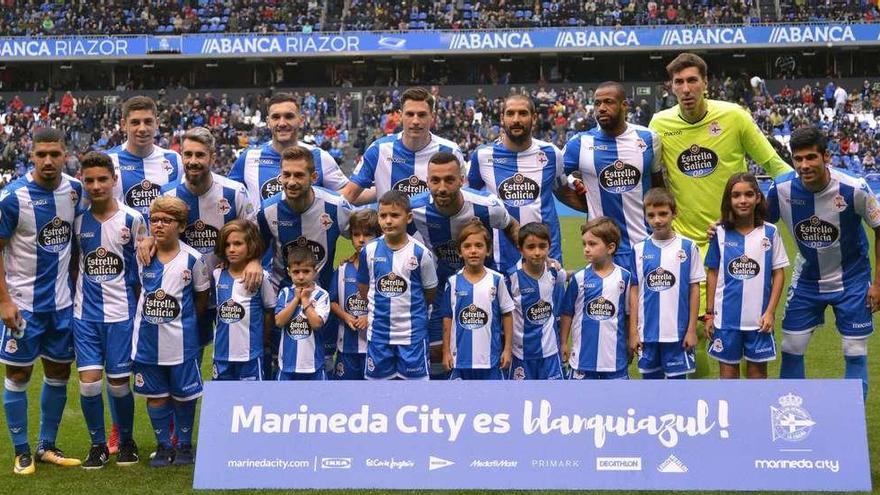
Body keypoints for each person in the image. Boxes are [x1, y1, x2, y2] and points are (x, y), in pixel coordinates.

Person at [648, 53, 791, 376]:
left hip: (734, 242)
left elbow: (775, 166)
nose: (686, 88)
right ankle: (702, 409)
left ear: (705, 83)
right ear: (671, 87)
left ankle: (743, 411)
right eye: (679, 82)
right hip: (686, 244)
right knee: (692, 332)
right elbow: (654, 178)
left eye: (692, 80)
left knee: (747, 327)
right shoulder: (660, 124)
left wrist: (759, 221)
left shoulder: (734, 116)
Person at [766, 127, 880, 398]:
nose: (804, 165)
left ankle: (852, 425)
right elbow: (757, 227)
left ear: (826, 156)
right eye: (798, 159)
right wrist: (722, 227)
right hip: (807, 279)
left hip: (852, 279)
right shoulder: (780, 188)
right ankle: (790, 417)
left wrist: (877, 284)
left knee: (854, 350)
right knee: (792, 346)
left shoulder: (855, 188)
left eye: (810, 158)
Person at [0, 128, 84, 474]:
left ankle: (46, 445)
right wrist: (4, 301)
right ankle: (21, 451)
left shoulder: (75, 191)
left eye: (55, 153)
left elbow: (77, 244)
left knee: (59, 372)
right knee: (18, 374)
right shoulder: (11, 197)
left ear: (66, 154)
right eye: (41, 155)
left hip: (62, 305)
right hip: (22, 305)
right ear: (30, 156)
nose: (48, 161)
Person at [409, 151, 517, 373]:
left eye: (449, 179)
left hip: (485, 287)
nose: (441, 188)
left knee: (490, 350)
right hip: (442, 288)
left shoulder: (486, 206)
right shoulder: (415, 209)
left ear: (461, 179)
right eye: (435, 180)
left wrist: (533, 258)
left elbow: (511, 226)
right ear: (427, 181)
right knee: (438, 351)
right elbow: (392, 236)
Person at [161, 127, 258, 361]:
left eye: (200, 155)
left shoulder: (234, 192)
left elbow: (253, 235)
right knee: (189, 358)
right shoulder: (168, 195)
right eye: (188, 155)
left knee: (235, 355)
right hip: (188, 292)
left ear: (212, 158)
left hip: (231, 287)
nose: (193, 161)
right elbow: (159, 240)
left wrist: (254, 260)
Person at [73, 152, 144, 468]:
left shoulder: (132, 220)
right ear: (82, 182)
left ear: (115, 180)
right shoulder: (78, 220)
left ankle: (126, 441)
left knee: (118, 384)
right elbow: (74, 266)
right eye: (90, 180)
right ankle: (97, 445)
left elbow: (143, 271)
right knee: (88, 383)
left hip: (122, 315)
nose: (96, 185)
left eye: (103, 179)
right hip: (85, 315)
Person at [132, 196, 210, 467]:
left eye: (167, 220)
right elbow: (137, 290)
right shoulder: (141, 255)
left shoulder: (194, 259)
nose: (159, 225)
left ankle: (185, 446)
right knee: (156, 396)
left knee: (184, 396)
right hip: (147, 342)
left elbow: (201, 299)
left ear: (181, 225)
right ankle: (164, 445)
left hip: (182, 342)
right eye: (155, 220)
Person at [563, 81, 663, 269]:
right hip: (602, 252)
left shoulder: (649, 138)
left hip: (645, 245)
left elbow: (659, 185)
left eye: (608, 102)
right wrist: (573, 186)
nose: (601, 108)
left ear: (624, 106)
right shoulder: (580, 143)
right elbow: (554, 177)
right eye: (597, 103)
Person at [469, 94, 568, 274]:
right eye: (510, 113)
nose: (516, 120)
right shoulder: (482, 156)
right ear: (502, 118)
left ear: (534, 118)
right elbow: (471, 198)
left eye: (522, 113)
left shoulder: (552, 154)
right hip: (500, 260)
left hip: (546, 255)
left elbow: (563, 190)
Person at [705, 173, 788, 379]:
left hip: (758, 320)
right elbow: (713, 273)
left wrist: (770, 312)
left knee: (757, 378)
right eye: (736, 195)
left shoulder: (770, 232)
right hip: (725, 320)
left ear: (758, 197)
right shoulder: (719, 233)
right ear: (729, 200)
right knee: (728, 379)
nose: (743, 200)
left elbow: (778, 274)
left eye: (749, 194)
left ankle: (754, 413)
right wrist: (709, 314)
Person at [357, 191, 438, 380]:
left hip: (412, 335)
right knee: (378, 388)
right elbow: (363, 288)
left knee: (414, 388)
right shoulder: (368, 251)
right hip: (379, 334)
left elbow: (429, 292)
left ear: (408, 217)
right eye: (383, 215)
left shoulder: (420, 253)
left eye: (394, 215)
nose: (388, 221)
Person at [340, 87, 465, 205]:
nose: (415, 121)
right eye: (410, 114)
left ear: (432, 116)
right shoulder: (379, 150)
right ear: (400, 115)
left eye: (422, 115)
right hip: (389, 227)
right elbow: (349, 194)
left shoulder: (451, 152)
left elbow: (463, 198)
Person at [630, 188, 705, 379]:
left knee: (677, 390)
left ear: (674, 213)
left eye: (663, 214)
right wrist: (633, 332)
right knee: (650, 389)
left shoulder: (688, 247)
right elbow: (634, 291)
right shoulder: (638, 249)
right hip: (647, 335)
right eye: (651, 215)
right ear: (645, 216)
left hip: (678, 335)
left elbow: (694, 290)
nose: (657, 220)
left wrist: (691, 331)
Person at [229, 92, 351, 209]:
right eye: (276, 117)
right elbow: (228, 197)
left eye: (289, 116)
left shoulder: (319, 157)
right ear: (268, 122)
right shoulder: (248, 158)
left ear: (301, 120)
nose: (282, 123)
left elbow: (350, 193)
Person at [560, 218, 634, 380]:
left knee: (617, 403)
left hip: (615, 360)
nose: (586, 249)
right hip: (582, 359)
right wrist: (564, 342)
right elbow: (567, 313)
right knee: (580, 404)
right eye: (584, 244)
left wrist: (630, 341)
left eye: (592, 244)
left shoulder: (625, 278)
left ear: (610, 247)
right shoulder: (578, 279)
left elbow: (628, 315)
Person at [440, 219, 514, 380]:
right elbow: (447, 318)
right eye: (467, 246)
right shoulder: (452, 282)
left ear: (488, 250)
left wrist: (508, 349)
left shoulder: (497, 280)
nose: (473, 251)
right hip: (459, 361)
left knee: (494, 404)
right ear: (459, 251)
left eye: (479, 246)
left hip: (490, 361)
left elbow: (507, 315)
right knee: (458, 404)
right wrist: (446, 351)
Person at [212, 220, 275, 381]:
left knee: (252, 402)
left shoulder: (261, 277)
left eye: (238, 244)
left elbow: (269, 310)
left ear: (251, 246)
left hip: (251, 355)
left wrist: (263, 339)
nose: (231, 249)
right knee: (223, 404)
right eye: (227, 245)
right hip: (222, 355)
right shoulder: (217, 275)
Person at [107, 96, 184, 221]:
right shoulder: (108, 161)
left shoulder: (174, 160)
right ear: (123, 124)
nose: (142, 129)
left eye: (148, 122)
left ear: (157, 123)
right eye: (135, 122)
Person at [506, 222, 566, 380]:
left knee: (555, 399)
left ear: (549, 246)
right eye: (531, 247)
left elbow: (567, 278)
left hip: (550, 352)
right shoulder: (511, 278)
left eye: (542, 246)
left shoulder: (555, 273)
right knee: (521, 401)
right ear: (520, 249)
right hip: (521, 353)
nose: (537, 252)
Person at [329, 209, 380, 380]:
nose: (361, 240)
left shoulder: (383, 268)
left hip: (375, 346)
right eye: (356, 234)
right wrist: (346, 317)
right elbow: (332, 301)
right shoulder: (343, 268)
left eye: (367, 234)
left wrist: (369, 318)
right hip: (347, 347)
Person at [274, 246, 331, 380]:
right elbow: (279, 321)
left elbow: (317, 324)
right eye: (296, 272)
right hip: (287, 366)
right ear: (289, 272)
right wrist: (296, 299)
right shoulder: (285, 293)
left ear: (315, 271)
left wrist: (305, 300)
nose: (301, 276)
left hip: (314, 366)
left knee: (319, 401)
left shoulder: (322, 295)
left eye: (306, 271)